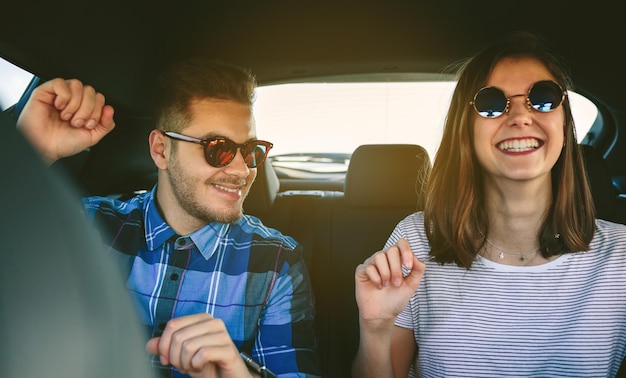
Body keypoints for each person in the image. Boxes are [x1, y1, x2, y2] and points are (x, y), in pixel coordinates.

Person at [17, 59, 321, 378]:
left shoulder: (276, 263)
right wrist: (31, 151)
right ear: (161, 150)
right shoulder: (86, 225)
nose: (242, 171)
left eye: (250, 151)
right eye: (218, 149)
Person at [352, 31, 626, 377]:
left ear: (564, 120)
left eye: (542, 98)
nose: (520, 117)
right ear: (465, 129)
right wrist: (375, 329)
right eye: (492, 104)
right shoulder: (416, 242)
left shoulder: (621, 258)